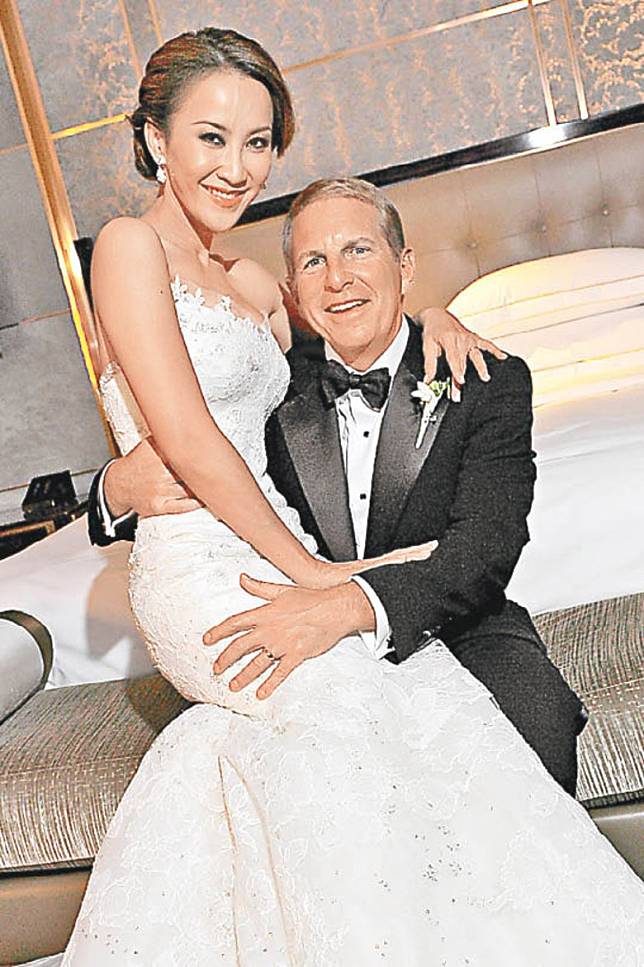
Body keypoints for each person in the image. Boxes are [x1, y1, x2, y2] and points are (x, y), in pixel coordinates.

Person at [53, 27, 643, 967]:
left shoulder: (254, 283)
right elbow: (195, 436)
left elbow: (346, 334)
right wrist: (118, 488)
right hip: (219, 567)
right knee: (363, 716)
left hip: (362, 577)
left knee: (447, 712)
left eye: (258, 142)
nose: (237, 167)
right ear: (156, 138)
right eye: (212, 137)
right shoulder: (126, 247)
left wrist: (433, 312)